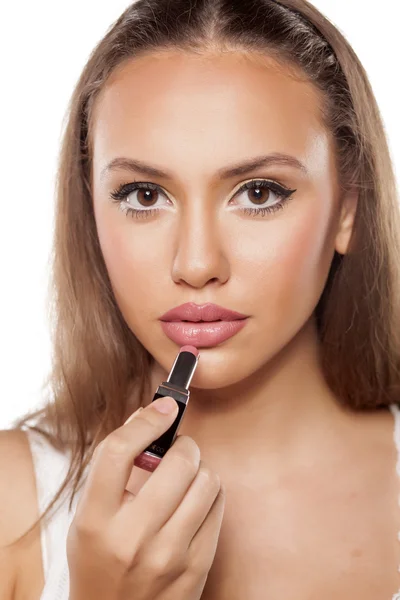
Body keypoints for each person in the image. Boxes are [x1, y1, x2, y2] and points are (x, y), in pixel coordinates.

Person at [1, 0, 400, 598]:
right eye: (142, 194)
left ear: (348, 207)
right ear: (90, 205)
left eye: (259, 192)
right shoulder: (12, 503)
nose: (195, 265)